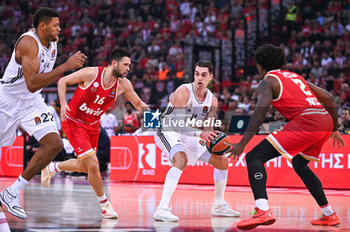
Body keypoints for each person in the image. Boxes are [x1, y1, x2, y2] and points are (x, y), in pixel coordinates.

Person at [226, 44, 344, 230]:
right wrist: (335, 129)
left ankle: (262, 209)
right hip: (325, 121)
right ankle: (329, 214)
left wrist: (242, 143)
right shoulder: (296, 76)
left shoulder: (268, 81)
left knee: (254, 157)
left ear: (260, 67)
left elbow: (260, 112)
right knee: (299, 163)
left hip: (308, 121)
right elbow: (329, 98)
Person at [40, 48, 149, 219]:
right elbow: (62, 82)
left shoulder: (123, 84)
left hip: (92, 126)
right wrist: (63, 105)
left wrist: (156, 121)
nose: (129, 68)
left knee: (86, 166)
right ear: (114, 63)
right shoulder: (91, 73)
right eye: (126, 65)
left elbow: (139, 103)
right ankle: (105, 205)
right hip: (73, 122)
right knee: (93, 164)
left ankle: (53, 167)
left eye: (130, 65)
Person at [0, 7, 86, 220]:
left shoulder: (53, 44)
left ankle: (11, 193)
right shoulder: (28, 43)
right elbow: (31, 83)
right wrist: (65, 66)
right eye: (55, 25)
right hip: (7, 101)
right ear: (42, 26)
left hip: (32, 103)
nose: (59, 28)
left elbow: (34, 88)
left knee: (54, 143)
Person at [153, 60, 240, 222]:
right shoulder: (183, 91)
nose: (199, 78)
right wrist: (201, 134)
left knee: (222, 161)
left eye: (204, 75)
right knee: (181, 159)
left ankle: (219, 205)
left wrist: (215, 138)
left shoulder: (212, 101)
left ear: (211, 77)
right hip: (167, 129)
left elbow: (206, 127)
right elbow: (178, 124)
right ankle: (162, 209)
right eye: (197, 74)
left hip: (190, 134)